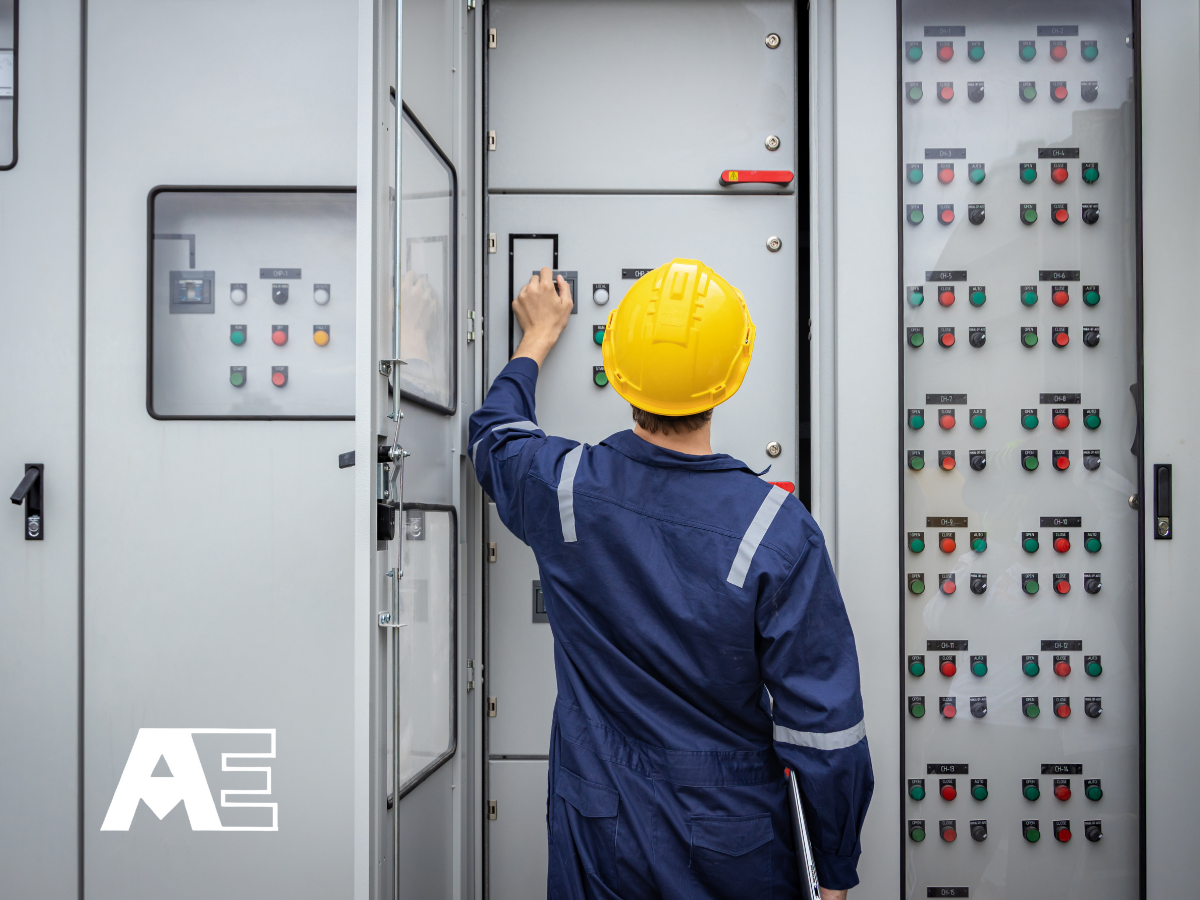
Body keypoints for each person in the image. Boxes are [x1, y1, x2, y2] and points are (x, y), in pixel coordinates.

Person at [469, 261, 873, 900]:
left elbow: (493, 437)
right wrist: (834, 868)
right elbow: (824, 731)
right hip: (731, 842)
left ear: (618, 365)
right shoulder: (777, 529)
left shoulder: (566, 488)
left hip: (599, 829)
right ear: (731, 377)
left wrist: (536, 340)